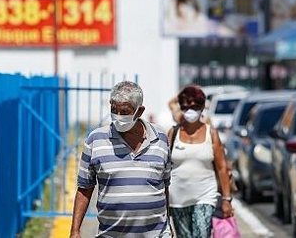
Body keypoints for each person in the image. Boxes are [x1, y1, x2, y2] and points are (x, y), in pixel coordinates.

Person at [70, 81, 172, 237]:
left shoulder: (161, 138)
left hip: (156, 233)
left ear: (139, 111)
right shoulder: (95, 140)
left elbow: (164, 187)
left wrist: (169, 226)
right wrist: (75, 230)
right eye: (113, 110)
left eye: (124, 112)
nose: (118, 117)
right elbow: (84, 188)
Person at [167, 85, 233, 238]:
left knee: (201, 234)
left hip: (205, 196)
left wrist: (226, 199)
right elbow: (165, 167)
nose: (190, 111)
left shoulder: (211, 133)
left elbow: (222, 167)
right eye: (186, 106)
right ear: (181, 107)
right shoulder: (173, 132)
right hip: (177, 199)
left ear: (202, 107)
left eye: (195, 106)